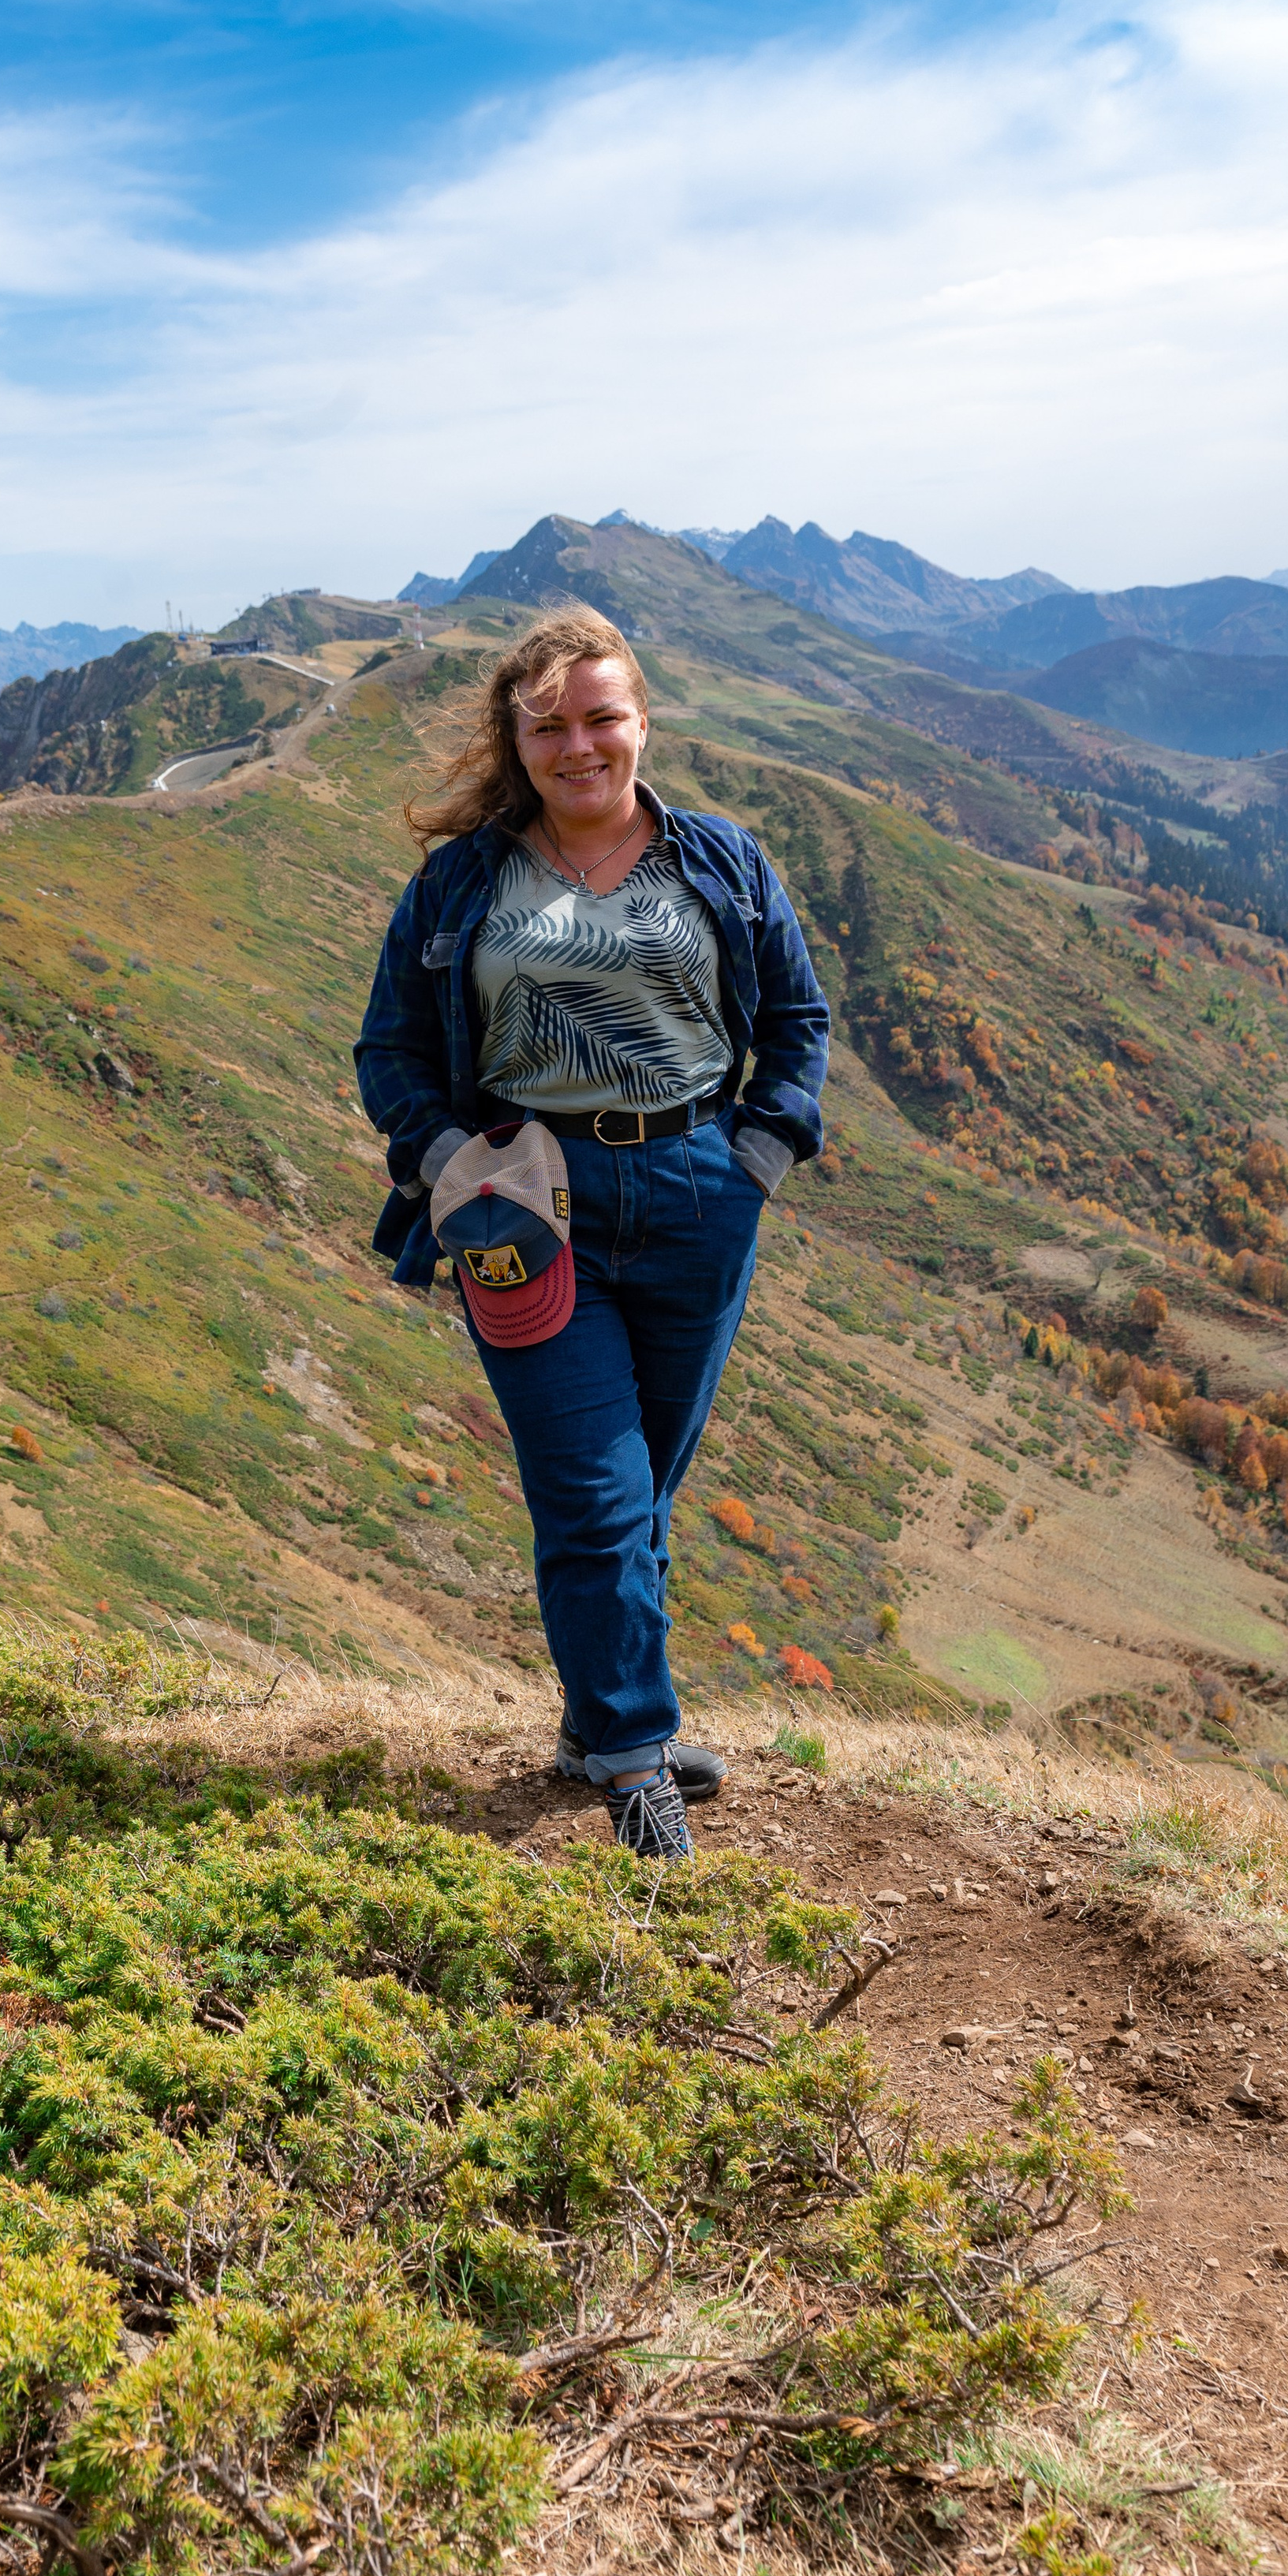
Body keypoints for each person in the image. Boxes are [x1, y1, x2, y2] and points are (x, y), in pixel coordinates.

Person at [355, 607, 829, 1861]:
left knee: (648, 1486)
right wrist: (448, 1157)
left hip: (694, 1190)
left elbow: (796, 1020)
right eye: (550, 724)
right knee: (596, 1492)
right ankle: (632, 1753)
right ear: (517, 740)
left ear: (641, 722)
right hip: (527, 1202)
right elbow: (390, 1049)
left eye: (601, 717)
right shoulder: (461, 881)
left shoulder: (721, 860)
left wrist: (758, 1161)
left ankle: (591, 1727)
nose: (580, 745)